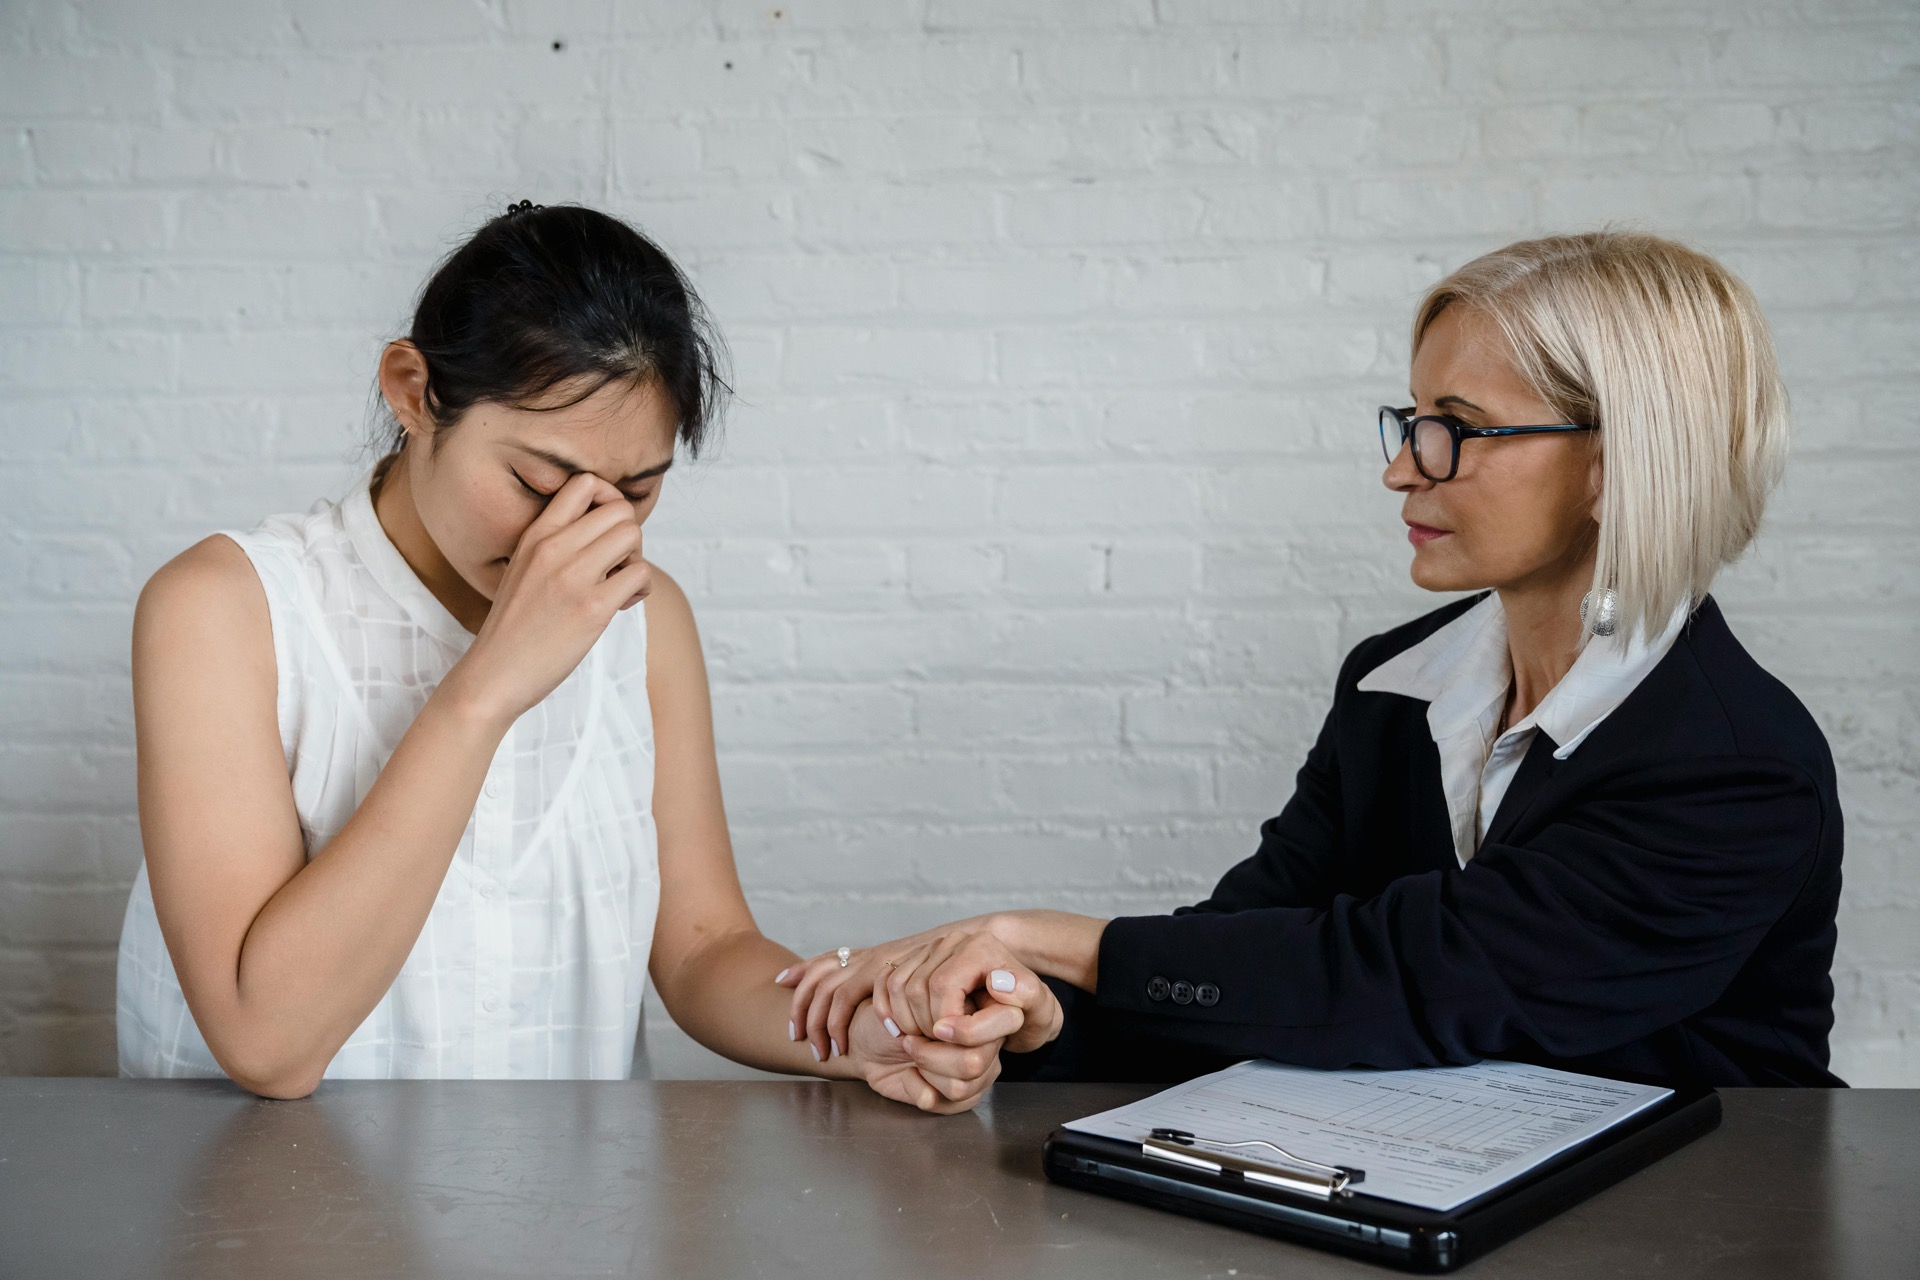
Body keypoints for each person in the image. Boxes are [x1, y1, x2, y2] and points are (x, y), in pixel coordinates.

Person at [784, 231, 1845, 1090]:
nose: (1401, 468)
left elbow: (1413, 978)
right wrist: (1035, 1012)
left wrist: (1026, 930)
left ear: (1614, 468)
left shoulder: (1737, 763)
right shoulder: (1392, 687)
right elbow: (1254, 953)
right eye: (1413, 420)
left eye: (1455, 430)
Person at [113, 201, 1042, 1108]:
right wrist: (489, 686)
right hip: (264, 1228)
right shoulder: (224, 609)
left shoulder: (648, 617)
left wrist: (867, 1029)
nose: (580, 534)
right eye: (536, 481)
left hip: (558, 1213)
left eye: (635, 492)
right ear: (412, 392)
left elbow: (702, 950)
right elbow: (264, 1041)